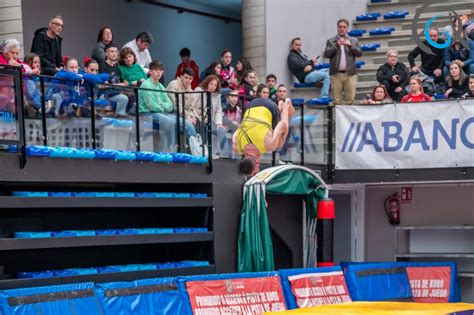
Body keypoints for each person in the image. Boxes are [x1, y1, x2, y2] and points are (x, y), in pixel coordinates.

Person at [233, 97, 295, 176]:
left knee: (279, 143)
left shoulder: (269, 145)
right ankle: (279, 107)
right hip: (251, 105)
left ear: (257, 163)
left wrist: (285, 114)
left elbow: (283, 124)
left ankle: (286, 104)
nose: (255, 174)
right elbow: (238, 130)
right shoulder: (236, 147)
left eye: (255, 173)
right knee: (271, 132)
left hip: (270, 107)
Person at [138, 60, 177, 150]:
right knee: (171, 122)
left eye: (160, 70)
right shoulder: (146, 85)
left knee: (183, 122)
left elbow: (170, 106)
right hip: (146, 114)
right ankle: (169, 150)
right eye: (156, 70)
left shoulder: (160, 86)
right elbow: (152, 107)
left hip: (159, 113)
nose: (159, 72)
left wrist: (160, 104)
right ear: (150, 72)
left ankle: (194, 151)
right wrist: (163, 106)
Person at [324, 19, 363, 104]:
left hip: (350, 74)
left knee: (350, 99)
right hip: (336, 74)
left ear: (347, 28)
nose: (342, 29)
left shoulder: (353, 40)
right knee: (336, 101)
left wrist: (350, 46)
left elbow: (359, 53)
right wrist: (336, 45)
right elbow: (326, 54)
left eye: (344, 27)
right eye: (340, 27)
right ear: (337, 28)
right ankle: (336, 117)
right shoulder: (331, 41)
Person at [193, 75, 225, 155]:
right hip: (197, 118)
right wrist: (199, 118)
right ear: (207, 83)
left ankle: (222, 154)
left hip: (210, 120)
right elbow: (191, 105)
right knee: (204, 127)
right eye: (211, 84)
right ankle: (202, 152)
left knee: (221, 129)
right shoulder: (199, 90)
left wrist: (219, 123)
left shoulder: (217, 96)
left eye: (215, 85)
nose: (213, 87)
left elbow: (218, 110)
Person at [166, 67, 197, 140]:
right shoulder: (173, 85)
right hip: (170, 113)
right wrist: (187, 116)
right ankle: (193, 148)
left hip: (182, 115)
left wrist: (192, 116)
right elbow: (175, 104)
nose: (188, 80)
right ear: (181, 77)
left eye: (190, 79)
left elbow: (191, 108)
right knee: (188, 125)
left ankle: (195, 147)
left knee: (200, 124)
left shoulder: (191, 91)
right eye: (186, 78)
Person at [99, 43, 129, 117]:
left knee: (131, 95)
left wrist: (125, 83)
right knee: (123, 98)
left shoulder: (117, 67)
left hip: (116, 92)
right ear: (106, 53)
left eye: (116, 51)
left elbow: (121, 81)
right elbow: (103, 85)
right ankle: (119, 118)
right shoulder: (102, 65)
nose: (114, 54)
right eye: (112, 51)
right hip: (105, 94)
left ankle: (125, 116)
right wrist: (118, 85)